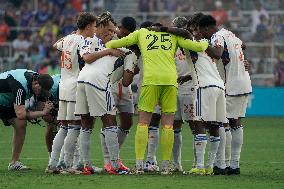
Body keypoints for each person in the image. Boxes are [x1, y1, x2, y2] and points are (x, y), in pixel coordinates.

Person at [106, 20, 209, 175]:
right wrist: (205, 41)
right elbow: (199, 47)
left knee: (143, 123)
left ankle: (140, 165)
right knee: (168, 125)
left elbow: (112, 44)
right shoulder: (172, 35)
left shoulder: (141, 33)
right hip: (170, 81)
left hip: (151, 81)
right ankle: (166, 166)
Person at [76, 12, 137, 175]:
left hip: (82, 79)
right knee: (109, 121)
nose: (111, 33)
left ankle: (86, 165)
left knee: (86, 123)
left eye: (113, 31)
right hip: (98, 81)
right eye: (108, 30)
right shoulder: (126, 51)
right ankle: (115, 166)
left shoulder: (110, 43)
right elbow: (125, 81)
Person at [198, 15, 252, 175]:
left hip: (231, 84)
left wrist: (204, 45)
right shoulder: (230, 34)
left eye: (202, 32)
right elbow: (244, 46)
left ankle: (221, 165)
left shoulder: (217, 36)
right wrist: (242, 62)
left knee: (221, 122)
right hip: (244, 82)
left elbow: (218, 52)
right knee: (235, 123)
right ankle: (234, 165)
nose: (202, 35)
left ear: (207, 28)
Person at [47, 12, 98, 174]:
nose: (95, 30)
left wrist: (73, 34)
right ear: (88, 26)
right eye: (94, 26)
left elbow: (55, 45)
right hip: (75, 87)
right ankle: (66, 165)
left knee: (63, 127)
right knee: (74, 127)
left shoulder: (68, 39)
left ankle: (53, 164)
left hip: (63, 87)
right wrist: (106, 53)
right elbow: (87, 57)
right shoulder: (83, 41)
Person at [0, 69, 54, 170]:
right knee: (21, 118)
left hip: (7, 101)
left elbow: (41, 106)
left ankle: (14, 163)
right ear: (35, 83)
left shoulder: (40, 82)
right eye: (42, 91)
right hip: (2, 99)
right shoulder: (20, 86)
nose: (42, 93)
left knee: (21, 124)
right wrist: (43, 112)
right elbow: (20, 114)